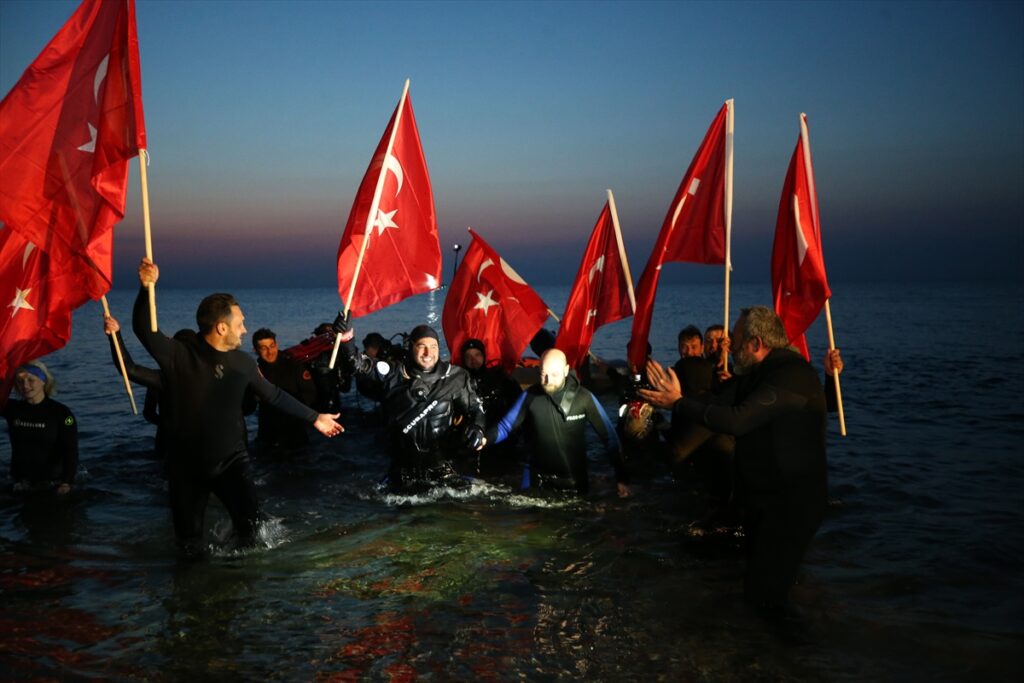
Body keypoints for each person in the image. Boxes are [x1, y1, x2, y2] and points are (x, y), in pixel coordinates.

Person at [132, 258, 344, 556]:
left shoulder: (242, 363)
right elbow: (144, 330)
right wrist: (145, 289)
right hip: (186, 468)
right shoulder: (179, 356)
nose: (245, 330)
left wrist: (315, 418)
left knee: (253, 532)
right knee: (189, 546)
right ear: (221, 327)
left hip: (231, 462)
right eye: (240, 323)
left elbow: (274, 396)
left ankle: (250, 594)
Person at [640, 306, 837, 610]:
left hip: (791, 505)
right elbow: (715, 406)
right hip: (763, 501)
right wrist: (675, 398)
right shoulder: (755, 375)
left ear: (756, 344)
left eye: (737, 340)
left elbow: (737, 421)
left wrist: (678, 403)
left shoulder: (791, 373)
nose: (730, 346)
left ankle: (793, 651)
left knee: (764, 594)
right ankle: (766, 646)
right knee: (757, 587)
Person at [335, 318, 487, 493]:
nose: (428, 352)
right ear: (411, 347)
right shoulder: (393, 373)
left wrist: (478, 427)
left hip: (442, 471)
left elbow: (476, 409)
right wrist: (346, 337)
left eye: (433, 346)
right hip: (403, 473)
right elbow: (358, 365)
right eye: (421, 346)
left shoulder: (455, 377)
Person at [486, 348, 630, 498]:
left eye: (554, 375)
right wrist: (485, 439)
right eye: (543, 375)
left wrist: (621, 478)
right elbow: (505, 427)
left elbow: (610, 439)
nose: (548, 381)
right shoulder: (530, 396)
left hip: (573, 482)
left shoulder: (584, 398)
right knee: (525, 518)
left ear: (566, 370)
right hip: (536, 479)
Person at [2, 361, 78, 495]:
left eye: (31, 380)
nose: (25, 385)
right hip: (19, 483)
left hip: (53, 483)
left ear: (43, 381)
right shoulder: (11, 409)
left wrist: (67, 482)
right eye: (20, 381)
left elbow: (70, 450)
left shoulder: (61, 413)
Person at [252, 328, 318, 450]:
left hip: (294, 429)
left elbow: (310, 393)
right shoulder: (254, 372)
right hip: (268, 432)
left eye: (272, 346)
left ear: (276, 344)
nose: (270, 351)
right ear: (255, 350)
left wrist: (297, 412)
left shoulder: (293, 365)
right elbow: (249, 407)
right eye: (264, 348)